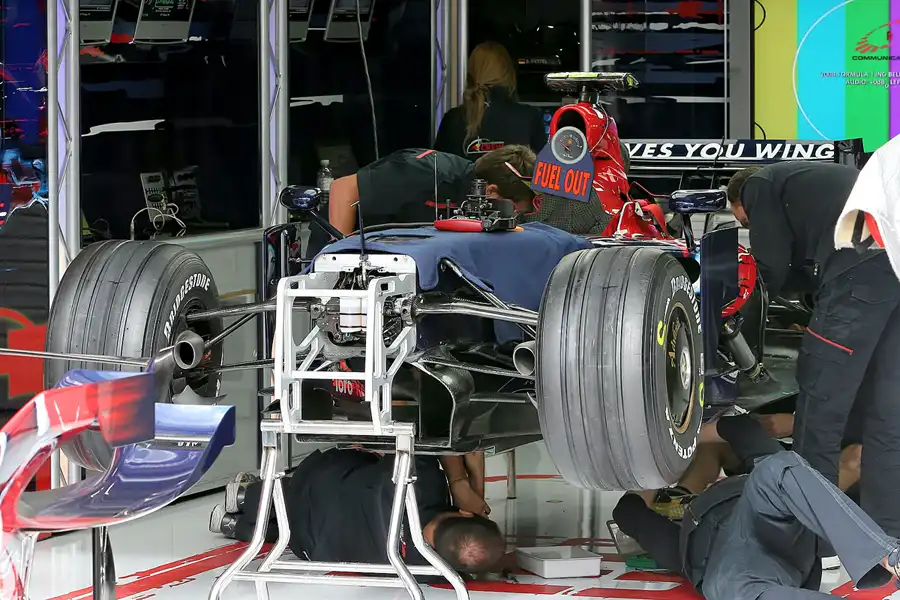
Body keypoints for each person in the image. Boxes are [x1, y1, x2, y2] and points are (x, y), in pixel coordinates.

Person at [727, 162, 900, 539]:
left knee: (820, 412)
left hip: (857, 275)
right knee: (887, 417)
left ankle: (813, 539)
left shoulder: (758, 184)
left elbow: (768, 266)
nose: (748, 226)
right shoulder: (811, 181)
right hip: (892, 270)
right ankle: (887, 539)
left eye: (745, 221)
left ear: (740, 200)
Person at [613, 415, 900, 600]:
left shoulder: (762, 476)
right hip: (753, 566)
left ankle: (890, 557)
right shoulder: (765, 474)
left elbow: (628, 511)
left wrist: (674, 449)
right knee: (777, 469)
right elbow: (741, 428)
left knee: (777, 469)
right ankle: (888, 556)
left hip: (751, 549)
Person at [208, 449, 505, 573]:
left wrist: (462, 484)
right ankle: (233, 526)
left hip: (315, 486)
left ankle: (247, 497)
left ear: (466, 514)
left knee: (329, 480)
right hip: (312, 546)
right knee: (296, 531)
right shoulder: (424, 571)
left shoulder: (425, 482)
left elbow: (434, 441)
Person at [433, 41, 546, 160]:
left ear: (471, 73)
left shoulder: (452, 120)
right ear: (508, 74)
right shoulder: (529, 117)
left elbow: (437, 172)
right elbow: (545, 171)